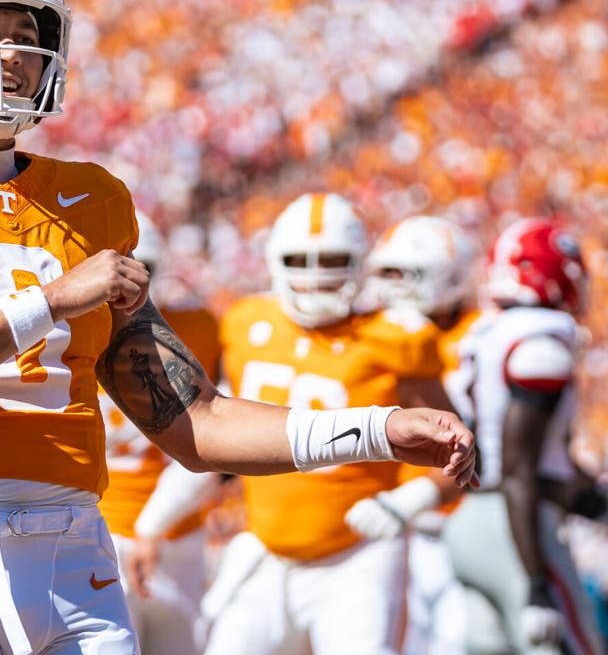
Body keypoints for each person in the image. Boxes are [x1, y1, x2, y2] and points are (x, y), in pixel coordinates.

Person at [0, 0, 476, 655]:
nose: (8, 53)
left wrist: (380, 429)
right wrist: (50, 302)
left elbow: (197, 424)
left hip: (73, 541)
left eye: (25, 34)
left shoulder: (92, 201)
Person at [204, 193, 464, 655]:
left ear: (360, 262)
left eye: (332, 260)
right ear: (274, 260)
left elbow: (455, 450)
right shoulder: (246, 323)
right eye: (300, 260)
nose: (315, 273)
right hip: (264, 550)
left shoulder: (394, 337)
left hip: (357, 555)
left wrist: (404, 503)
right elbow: (217, 431)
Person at [443, 219, 606, 655]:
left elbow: (523, 456)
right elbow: (518, 468)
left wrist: (593, 501)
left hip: (470, 520)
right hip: (518, 530)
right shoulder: (541, 345)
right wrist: (535, 583)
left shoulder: (485, 332)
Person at [352, 215, 480, 655]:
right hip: (383, 521)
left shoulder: (476, 334)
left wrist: (416, 497)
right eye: (386, 271)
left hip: (458, 520)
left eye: (406, 272)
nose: (392, 285)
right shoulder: (376, 331)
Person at [98, 212, 221, 655]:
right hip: (99, 531)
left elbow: (214, 436)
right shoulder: (68, 335)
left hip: (178, 533)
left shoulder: (199, 328)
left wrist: (153, 525)